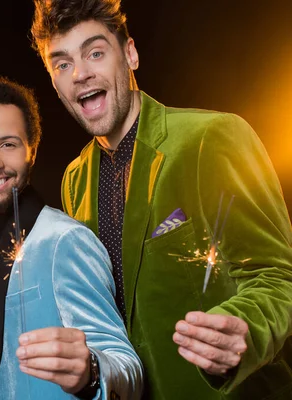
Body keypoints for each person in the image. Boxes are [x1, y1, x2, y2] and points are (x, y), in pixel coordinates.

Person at [30, 0, 292, 398]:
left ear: (130, 54)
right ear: (54, 82)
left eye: (95, 53)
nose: (80, 73)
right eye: (62, 64)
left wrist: (247, 328)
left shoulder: (212, 137)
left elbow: (277, 276)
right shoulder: (75, 179)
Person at [0, 77, 142, 399]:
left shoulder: (64, 240)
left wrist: (91, 371)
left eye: (8, 144)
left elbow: (128, 368)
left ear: (32, 151)